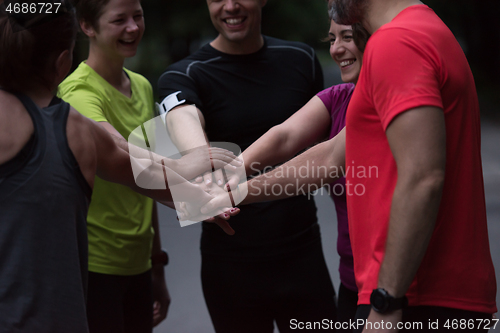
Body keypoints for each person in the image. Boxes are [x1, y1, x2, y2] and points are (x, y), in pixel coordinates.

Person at [202, 0, 498, 331]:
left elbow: (423, 178)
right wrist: (232, 193)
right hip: (432, 296)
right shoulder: (425, 28)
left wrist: (387, 301)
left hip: (418, 298)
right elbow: (331, 156)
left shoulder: (397, 41)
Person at [0, 3, 238, 332]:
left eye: (137, 15)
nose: (132, 27)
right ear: (63, 62)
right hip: (76, 296)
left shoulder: (136, 88)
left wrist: (159, 258)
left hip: (130, 267)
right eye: (119, 19)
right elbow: (130, 159)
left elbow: (141, 177)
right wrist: (192, 171)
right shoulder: (74, 124)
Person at [158, 0, 338, 331]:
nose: (230, 6)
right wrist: (203, 164)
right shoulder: (184, 74)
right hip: (231, 266)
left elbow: (319, 146)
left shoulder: (301, 59)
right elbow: (182, 116)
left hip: (303, 256)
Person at [234, 19, 368, 328]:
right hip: (352, 282)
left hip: (398, 286)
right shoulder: (339, 97)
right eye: (331, 39)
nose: (336, 49)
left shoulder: (388, 101)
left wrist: (230, 193)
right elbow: (284, 137)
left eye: (347, 37)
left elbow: (327, 160)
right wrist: (225, 177)